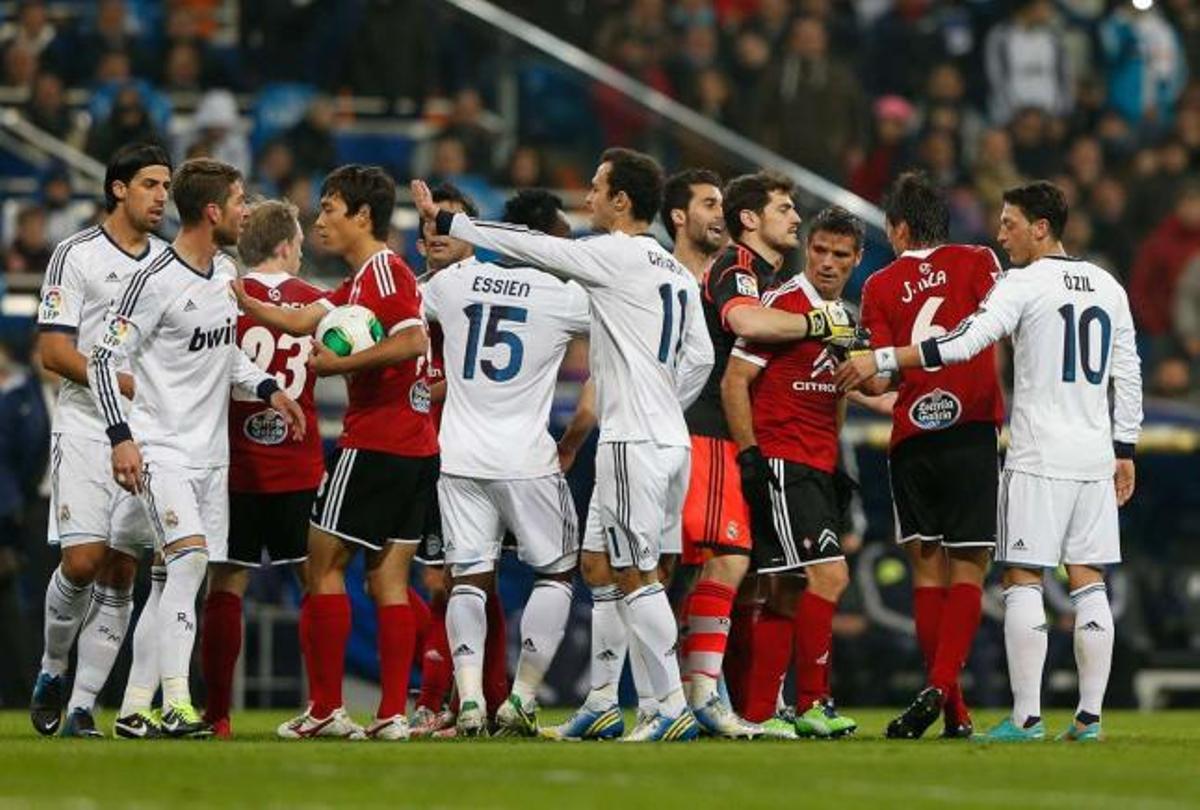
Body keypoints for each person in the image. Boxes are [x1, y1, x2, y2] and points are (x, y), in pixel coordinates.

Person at [412, 146, 715, 742]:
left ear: (622, 202)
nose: (589, 198)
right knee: (599, 565)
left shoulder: (613, 253)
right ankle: (603, 701)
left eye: (598, 188)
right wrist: (660, 397)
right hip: (662, 436)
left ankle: (671, 705)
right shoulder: (676, 270)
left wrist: (451, 224)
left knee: (635, 574)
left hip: (632, 440)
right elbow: (700, 356)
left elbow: (535, 247)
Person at [836, 181, 1143, 742]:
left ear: (1041, 228)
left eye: (1010, 223)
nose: (1000, 234)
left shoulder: (1024, 284)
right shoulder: (1109, 284)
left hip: (1037, 451)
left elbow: (962, 342)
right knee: (1089, 580)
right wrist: (1124, 448)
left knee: (1022, 577)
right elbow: (1130, 371)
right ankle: (1089, 718)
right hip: (1095, 453)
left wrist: (882, 356)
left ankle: (1026, 717)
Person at [88, 157, 305, 737]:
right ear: (212, 211)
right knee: (186, 565)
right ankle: (180, 702)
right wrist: (121, 438)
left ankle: (136, 707)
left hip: (212, 456)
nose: (246, 210)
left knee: (173, 580)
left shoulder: (224, 271)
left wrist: (268, 388)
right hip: (161, 450)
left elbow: (224, 351)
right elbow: (104, 361)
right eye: (238, 201)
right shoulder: (153, 280)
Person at [233, 164, 437, 741]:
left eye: (329, 209)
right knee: (390, 582)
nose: (319, 220)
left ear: (362, 215)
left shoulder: (386, 272)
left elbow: (413, 339)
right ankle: (393, 715)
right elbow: (300, 319)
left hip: (374, 441)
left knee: (321, 564)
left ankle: (325, 708)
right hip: (416, 445)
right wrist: (241, 297)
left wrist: (340, 365)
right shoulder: (360, 282)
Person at [677, 172, 855, 738]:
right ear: (750, 219)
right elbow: (742, 327)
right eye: (784, 208)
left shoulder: (773, 281)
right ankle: (686, 697)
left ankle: (734, 700)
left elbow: (840, 383)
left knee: (754, 577)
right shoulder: (740, 269)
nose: (795, 218)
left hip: (752, 443)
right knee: (714, 565)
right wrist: (753, 454)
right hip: (714, 434)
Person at [420, 187, 590, 737]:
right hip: (526, 457)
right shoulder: (564, 296)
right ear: (546, 238)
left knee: (467, 577)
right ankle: (520, 697)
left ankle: (469, 701)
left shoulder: (451, 282)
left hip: (460, 455)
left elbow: (401, 310)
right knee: (558, 571)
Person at [852, 172, 1005, 740]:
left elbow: (877, 373)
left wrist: (851, 380)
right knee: (969, 569)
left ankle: (953, 711)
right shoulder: (980, 262)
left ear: (898, 228)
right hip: (970, 428)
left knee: (926, 570)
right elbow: (1001, 328)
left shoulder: (879, 286)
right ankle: (942, 691)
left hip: (913, 438)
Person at [29, 143, 171, 739]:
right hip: (87, 425)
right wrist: (119, 379)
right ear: (118, 189)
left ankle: (84, 706)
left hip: (149, 433)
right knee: (83, 562)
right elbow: (54, 351)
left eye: (166, 186)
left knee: (120, 570)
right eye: (149, 185)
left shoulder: (169, 264)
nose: (162, 197)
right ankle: (52, 667)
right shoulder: (76, 255)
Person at [721, 205, 864, 740]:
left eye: (840, 255)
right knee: (831, 576)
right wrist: (751, 454)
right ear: (809, 249)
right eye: (820, 251)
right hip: (783, 459)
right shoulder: (783, 304)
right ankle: (813, 702)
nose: (828, 263)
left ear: (856, 259)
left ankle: (760, 711)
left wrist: (836, 460)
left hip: (816, 462)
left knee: (783, 589)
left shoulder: (845, 317)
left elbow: (842, 390)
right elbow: (735, 381)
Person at [200, 200, 325, 738]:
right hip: (298, 463)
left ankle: (218, 714)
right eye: (297, 241)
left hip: (233, 463)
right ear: (283, 245)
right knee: (317, 583)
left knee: (225, 584)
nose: (301, 250)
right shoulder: (317, 301)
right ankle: (325, 705)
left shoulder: (223, 298)